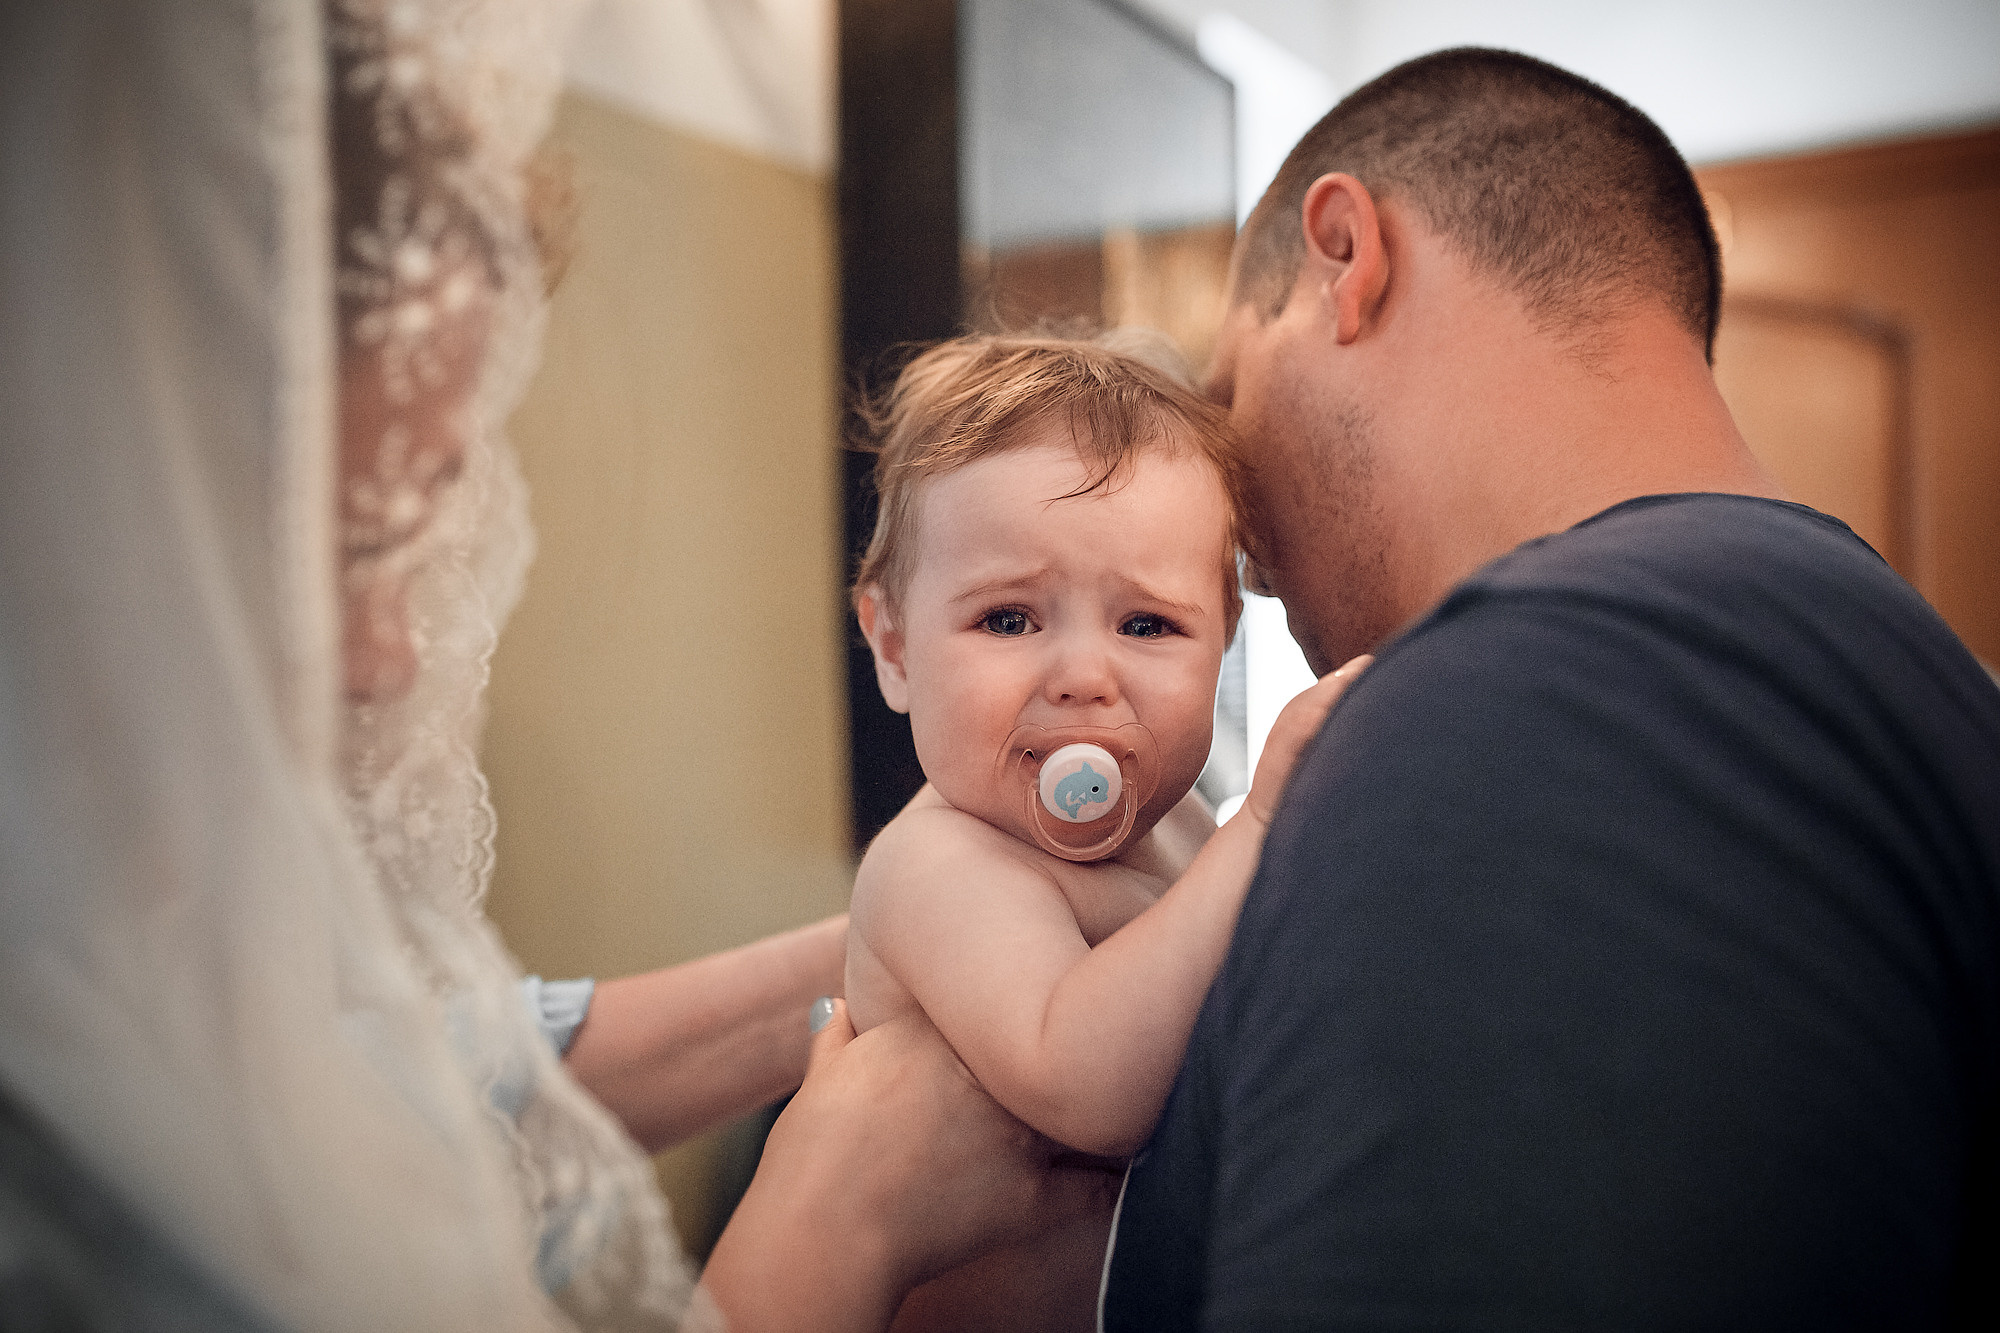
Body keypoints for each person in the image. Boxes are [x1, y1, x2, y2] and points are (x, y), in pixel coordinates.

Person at [2, 2, 1106, 1329]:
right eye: (335, 548)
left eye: (409, 547)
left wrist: (932, 936)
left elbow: (410, 1053)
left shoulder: (138, 941)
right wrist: (841, 1203)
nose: (387, 654)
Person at [1096, 48, 2000, 1329]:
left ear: (1344, 257)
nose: (1228, 525)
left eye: (1229, 392)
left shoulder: (1534, 700)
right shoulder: (1889, 667)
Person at [840, 333, 1362, 1327]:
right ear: (894, 646)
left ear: (1222, 646)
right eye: (1006, 620)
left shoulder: (1181, 829)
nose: (1084, 675)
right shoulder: (935, 862)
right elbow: (1081, 1078)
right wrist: (1263, 823)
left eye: (1146, 625)